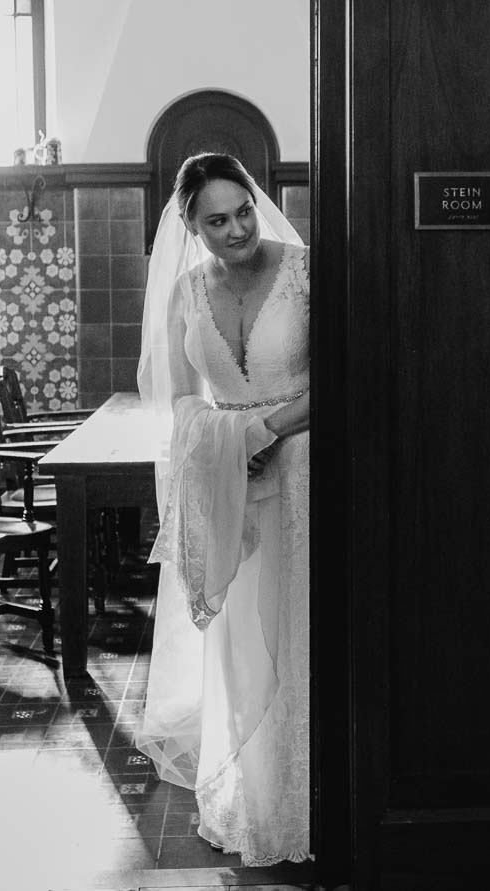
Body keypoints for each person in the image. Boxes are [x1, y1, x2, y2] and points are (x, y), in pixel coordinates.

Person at [135, 152, 311, 865]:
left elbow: (348, 369)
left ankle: (313, 793)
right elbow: (178, 399)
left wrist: (264, 431)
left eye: (243, 211)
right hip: (228, 481)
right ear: (192, 225)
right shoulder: (183, 292)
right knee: (241, 638)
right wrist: (228, 438)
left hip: (305, 470)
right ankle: (259, 791)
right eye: (217, 220)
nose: (238, 229)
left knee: (301, 624)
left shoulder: (304, 270)